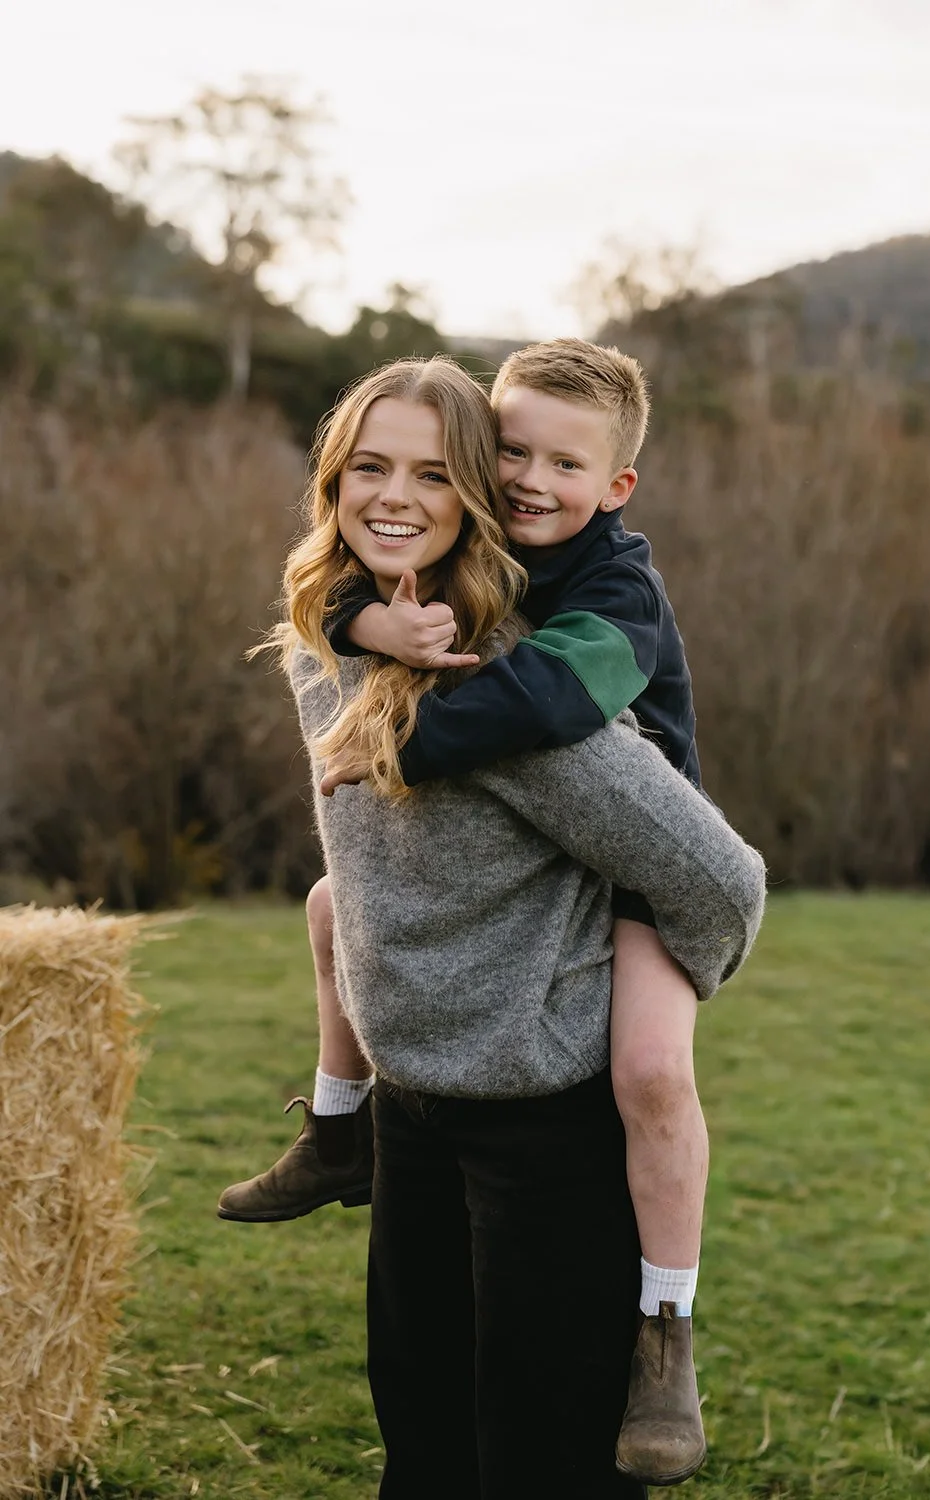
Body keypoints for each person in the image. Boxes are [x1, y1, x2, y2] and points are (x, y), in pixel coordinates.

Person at [221, 354, 766, 1495]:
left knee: (538, 1461)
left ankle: (668, 1325)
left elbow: (718, 879)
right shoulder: (345, 636)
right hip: (417, 1111)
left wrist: (631, 967)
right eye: (368, 467)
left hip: (542, 1123)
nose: (395, 497)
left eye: (434, 472)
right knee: (423, 1446)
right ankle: (337, 1126)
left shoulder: (506, 676)